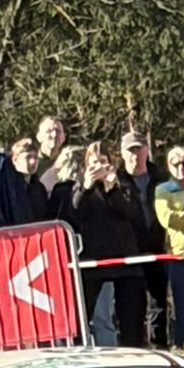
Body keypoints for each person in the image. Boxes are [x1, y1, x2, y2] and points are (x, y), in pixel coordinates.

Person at [71, 142, 146, 346]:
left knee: (131, 316)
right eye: (93, 163)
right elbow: (74, 213)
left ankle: (135, 351)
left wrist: (112, 189)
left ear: (111, 163)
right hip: (93, 258)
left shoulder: (123, 184)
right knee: (83, 314)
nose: (98, 167)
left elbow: (132, 214)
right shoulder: (80, 185)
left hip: (125, 257)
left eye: (103, 162)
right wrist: (85, 188)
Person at [115, 130, 168, 345]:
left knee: (159, 301)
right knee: (133, 304)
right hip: (130, 250)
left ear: (147, 150)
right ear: (122, 153)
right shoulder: (116, 181)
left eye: (138, 149)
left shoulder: (161, 177)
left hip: (157, 246)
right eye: (130, 150)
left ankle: (160, 345)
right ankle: (135, 347)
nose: (134, 155)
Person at [154, 145, 184, 347]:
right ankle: (183, 347)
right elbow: (168, 220)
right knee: (183, 308)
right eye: (175, 164)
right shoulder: (162, 190)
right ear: (168, 166)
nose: (181, 168)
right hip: (180, 254)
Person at [11, 137, 50, 222]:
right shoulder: (9, 188)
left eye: (35, 157)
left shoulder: (39, 188)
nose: (33, 161)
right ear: (15, 160)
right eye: (28, 157)